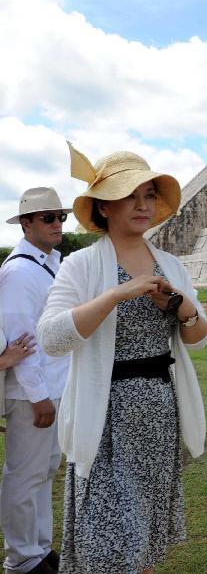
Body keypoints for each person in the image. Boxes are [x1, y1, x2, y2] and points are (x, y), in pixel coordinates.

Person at [37, 144, 207, 574]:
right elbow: (51, 338)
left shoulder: (170, 265)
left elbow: (198, 337)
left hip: (157, 412)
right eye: (129, 195)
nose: (142, 204)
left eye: (149, 194)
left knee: (145, 536)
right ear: (103, 207)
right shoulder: (80, 265)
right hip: (105, 413)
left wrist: (179, 305)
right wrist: (116, 293)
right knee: (110, 539)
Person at [1, 187, 72, 574]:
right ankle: (21, 557)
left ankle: (39, 549)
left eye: (60, 216)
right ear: (26, 224)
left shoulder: (46, 264)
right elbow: (21, 340)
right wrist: (39, 396)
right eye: (48, 218)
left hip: (52, 386)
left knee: (44, 471)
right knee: (25, 474)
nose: (57, 223)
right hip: (33, 393)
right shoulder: (20, 271)